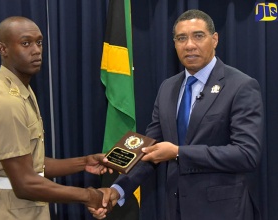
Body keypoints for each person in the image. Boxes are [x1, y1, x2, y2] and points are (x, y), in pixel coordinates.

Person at [90, 9, 264, 220]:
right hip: (176, 209)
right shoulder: (167, 88)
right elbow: (149, 148)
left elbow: (246, 154)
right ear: (174, 44)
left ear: (215, 39)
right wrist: (118, 190)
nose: (189, 45)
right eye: (181, 38)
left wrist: (179, 152)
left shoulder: (241, 86)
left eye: (198, 36)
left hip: (224, 211)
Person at [0, 16, 112, 220]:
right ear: (2, 49)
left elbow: (32, 164)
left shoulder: (22, 91)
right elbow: (25, 184)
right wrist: (87, 195)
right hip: (9, 210)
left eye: (39, 42)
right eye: (25, 43)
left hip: (22, 207)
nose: (36, 50)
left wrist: (83, 162)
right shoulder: (6, 102)